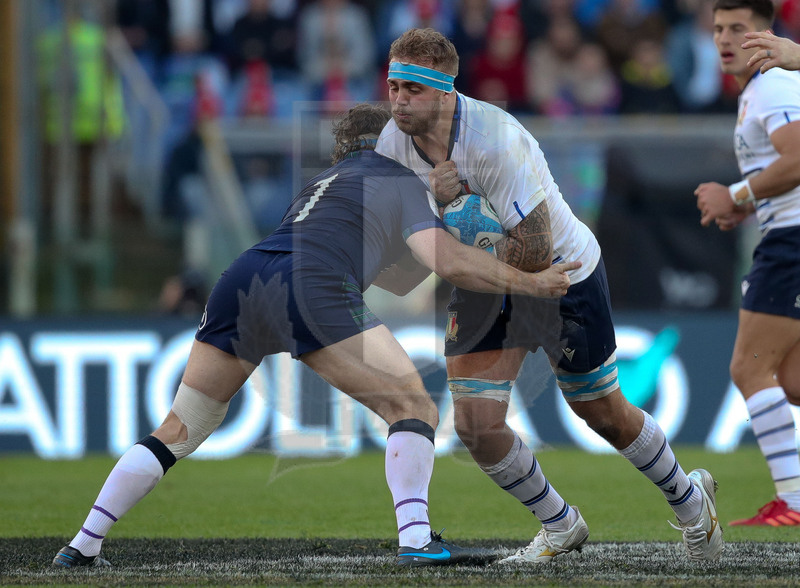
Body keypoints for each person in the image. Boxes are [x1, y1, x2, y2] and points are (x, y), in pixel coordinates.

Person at [51, 103, 578, 570]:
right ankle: (417, 540)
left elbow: (390, 273)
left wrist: (429, 206)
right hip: (314, 284)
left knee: (181, 429)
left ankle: (83, 542)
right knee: (413, 406)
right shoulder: (397, 178)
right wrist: (530, 280)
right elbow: (447, 261)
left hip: (244, 278)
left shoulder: (321, 186)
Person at [375, 27, 723, 563]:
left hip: (562, 273)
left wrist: (454, 233)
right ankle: (561, 524)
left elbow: (536, 248)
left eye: (412, 89)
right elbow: (400, 255)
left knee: (601, 410)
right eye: (393, 85)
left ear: (445, 91)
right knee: (475, 426)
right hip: (482, 279)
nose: (398, 100)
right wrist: (434, 208)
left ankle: (690, 500)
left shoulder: (495, 140)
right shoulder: (390, 147)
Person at [695, 0, 800, 527]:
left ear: (767, 32)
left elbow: (799, 159)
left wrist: (736, 195)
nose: (724, 38)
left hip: (792, 242)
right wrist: (748, 202)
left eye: (738, 27)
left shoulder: (775, 85)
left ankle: (795, 502)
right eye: (718, 29)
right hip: (786, 232)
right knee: (793, 380)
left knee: (748, 368)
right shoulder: (761, 91)